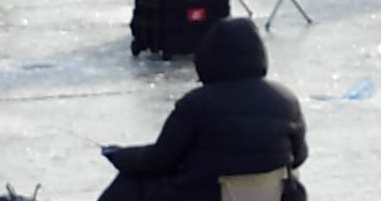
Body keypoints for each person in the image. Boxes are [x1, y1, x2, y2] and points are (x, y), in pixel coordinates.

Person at [94, 18, 308, 201]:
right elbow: (299, 156)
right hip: (272, 196)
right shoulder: (287, 100)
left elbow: (159, 159)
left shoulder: (196, 104)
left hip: (207, 193)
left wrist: (119, 156)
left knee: (130, 181)